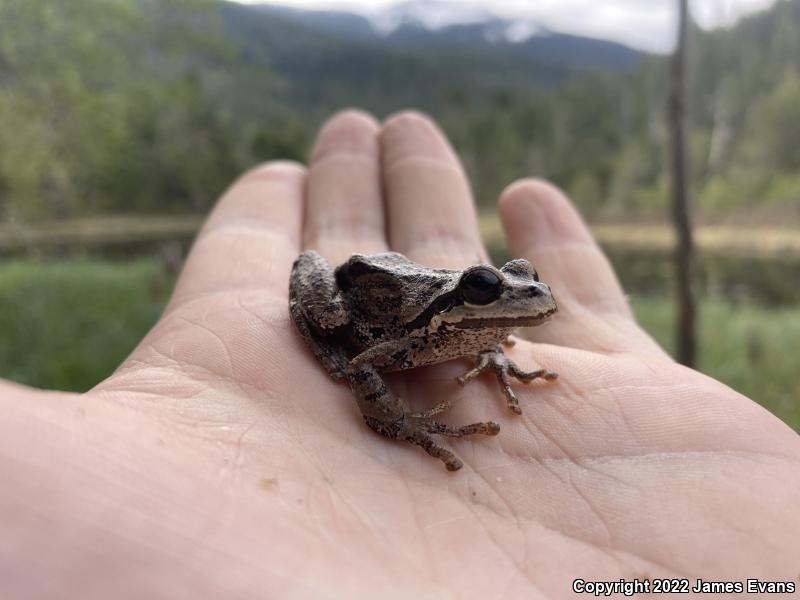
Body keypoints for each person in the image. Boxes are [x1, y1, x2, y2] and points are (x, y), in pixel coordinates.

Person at [2, 110, 798, 598]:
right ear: (466, 295)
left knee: (495, 336)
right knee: (337, 331)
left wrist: (494, 351)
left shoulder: (478, 327)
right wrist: (413, 424)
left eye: (510, 285)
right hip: (362, 292)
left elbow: (492, 328)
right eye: (493, 286)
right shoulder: (426, 328)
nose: (512, 296)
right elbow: (361, 364)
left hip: (437, 302)